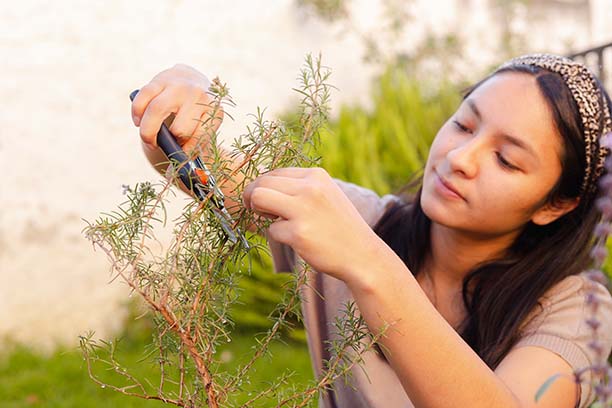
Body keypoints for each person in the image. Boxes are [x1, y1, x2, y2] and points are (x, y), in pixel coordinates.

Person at [131, 54, 612, 408]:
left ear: (556, 204)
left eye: (506, 159)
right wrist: (182, 111)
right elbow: (212, 177)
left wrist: (368, 264)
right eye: (465, 125)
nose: (459, 159)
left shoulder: (578, 312)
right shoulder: (360, 221)